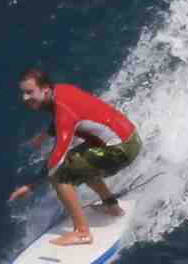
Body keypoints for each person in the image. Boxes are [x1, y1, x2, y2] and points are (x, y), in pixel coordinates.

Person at [17, 68, 136, 245]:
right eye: (23, 93)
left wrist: (32, 184)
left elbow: (58, 155)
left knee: (60, 176)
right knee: (78, 161)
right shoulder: (61, 91)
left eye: (29, 92)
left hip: (120, 149)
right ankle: (111, 206)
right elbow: (64, 116)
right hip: (128, 138)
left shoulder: (63, 110)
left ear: (45, 89)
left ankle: (82, 232)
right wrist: (47, 134)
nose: (24, 98)